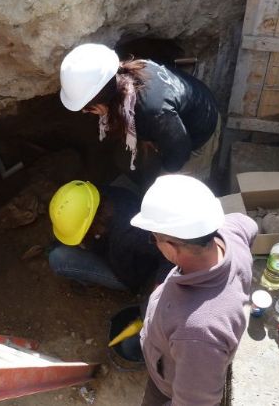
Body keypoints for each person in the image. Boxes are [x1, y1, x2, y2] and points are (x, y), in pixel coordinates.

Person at [129, 174, 257, 405]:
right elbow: (250, 225)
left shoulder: (198, 332)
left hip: (166, 386)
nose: (155, 243)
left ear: (170, 246)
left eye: (154, 238)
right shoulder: (231, 233)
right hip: (171, 358)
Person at [59, 43, 222, 185]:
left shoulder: (153, 111)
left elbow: (179, 152)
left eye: (88, 108)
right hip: (172, 123)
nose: (84, 111)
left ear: (105, 99)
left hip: (198, 134)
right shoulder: (124, 75)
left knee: (170, 195)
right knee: (123, 158)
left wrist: (163, 181)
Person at [48, 180, 173, 294]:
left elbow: (169, 255)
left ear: (92, 225)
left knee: (58, 259)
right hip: (116, 249)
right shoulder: (92, 197)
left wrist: (159, 288)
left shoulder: (131, 234)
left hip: (132, 275)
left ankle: (92, 283)